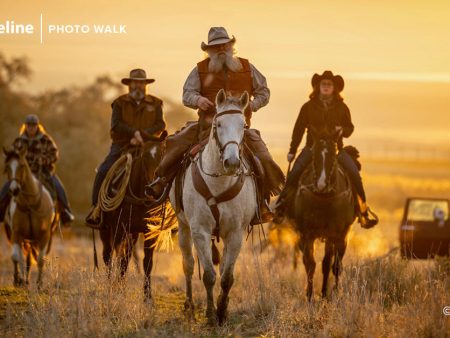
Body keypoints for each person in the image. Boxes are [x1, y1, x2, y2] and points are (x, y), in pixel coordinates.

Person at [146, 27, 285, 224]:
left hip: (239, 130)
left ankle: (261, 202)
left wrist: (253, 104)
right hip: (206, 128)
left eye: (224, 44)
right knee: (175, 144)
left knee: (263, 157)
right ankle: (161, 184)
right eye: (215, 46)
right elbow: (187, 94)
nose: (221, 49)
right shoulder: (200, 69)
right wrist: (198, 99)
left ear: (231, 46)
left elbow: (264, 91)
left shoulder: (247, 67)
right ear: (208, 50)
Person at [273, 70, 378, 228]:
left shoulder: (342, 107)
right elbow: (298, 129)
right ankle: (281, 207)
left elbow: (350, 128)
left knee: (354, 174)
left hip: (336, 150)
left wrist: (342, 129)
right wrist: (292, 150)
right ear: (318, 87)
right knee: (295, 173)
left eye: (330, 84)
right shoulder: (308, 107)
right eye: (324, 84)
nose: (327, 87)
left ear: (335, 88)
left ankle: (363, 212)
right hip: (312, 149)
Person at [85, 69, 166, 226]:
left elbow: (161, 125)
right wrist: (133, 134)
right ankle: (96, 209)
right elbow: (116, 125)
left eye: (141, 83)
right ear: (129, 85)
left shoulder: (156, 103)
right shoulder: (119, 103)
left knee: (166, 172)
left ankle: (168, 213)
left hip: (148, 146)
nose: (138, 86)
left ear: (145, 85)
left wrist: (142, 135)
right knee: (103, 171)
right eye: (135, 82)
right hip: (122, 146)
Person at [0, 114, 74, 226]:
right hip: (22, 174)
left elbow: (55, 154)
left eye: (33, 125)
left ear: (37, 126)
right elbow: (12, 156)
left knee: (58, 187)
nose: (31, 128)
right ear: (25, 126)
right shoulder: (19, 141)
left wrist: (43, 161)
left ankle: (66, 212)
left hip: (43, 172)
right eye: (29, 125)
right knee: (6, 187)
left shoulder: (45, 139)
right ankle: (1, 210)